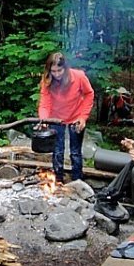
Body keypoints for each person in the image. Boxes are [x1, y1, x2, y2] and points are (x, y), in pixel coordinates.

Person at [37, 52, 95, 183]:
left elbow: (89, 94)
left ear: (65, 68)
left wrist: (83, 117)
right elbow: (44, 103)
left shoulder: (78, 76)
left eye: (59, 70)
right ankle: (58, 181)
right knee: (57, 151)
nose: (56, 74)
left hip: (76, 117)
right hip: (56, 118)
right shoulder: (47, 80)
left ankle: (77, 181)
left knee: (75, 152)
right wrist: (44, 119)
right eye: (53, 71)